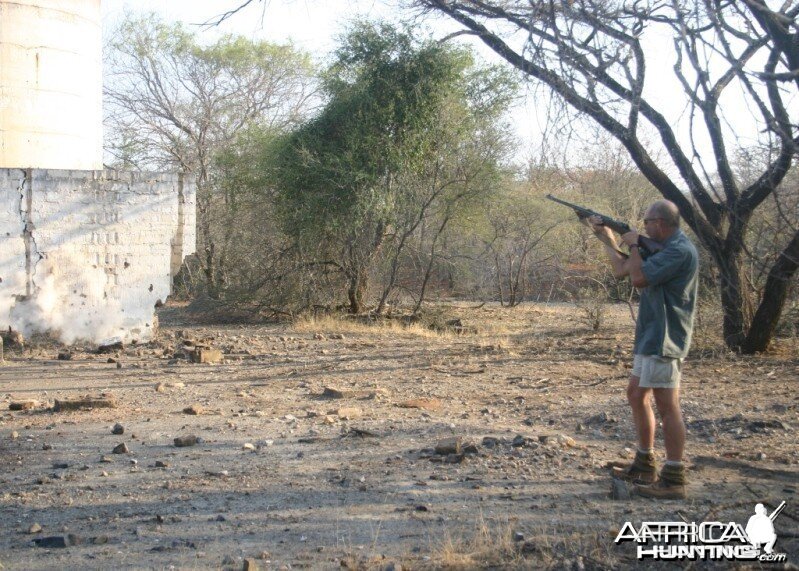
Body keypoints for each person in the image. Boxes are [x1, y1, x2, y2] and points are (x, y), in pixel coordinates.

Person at [588, 200, 698, 500]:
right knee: (637, 394)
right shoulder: (658, 247)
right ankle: (644, 463)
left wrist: (635, 244)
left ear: (660, 223)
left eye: (647, 221)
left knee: (667, 404)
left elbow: (637, 279)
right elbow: (622, 270)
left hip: (665, 337)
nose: (644, 225)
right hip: (651, 334)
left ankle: (674, 477)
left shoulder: (679, 250)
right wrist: (607, 237)